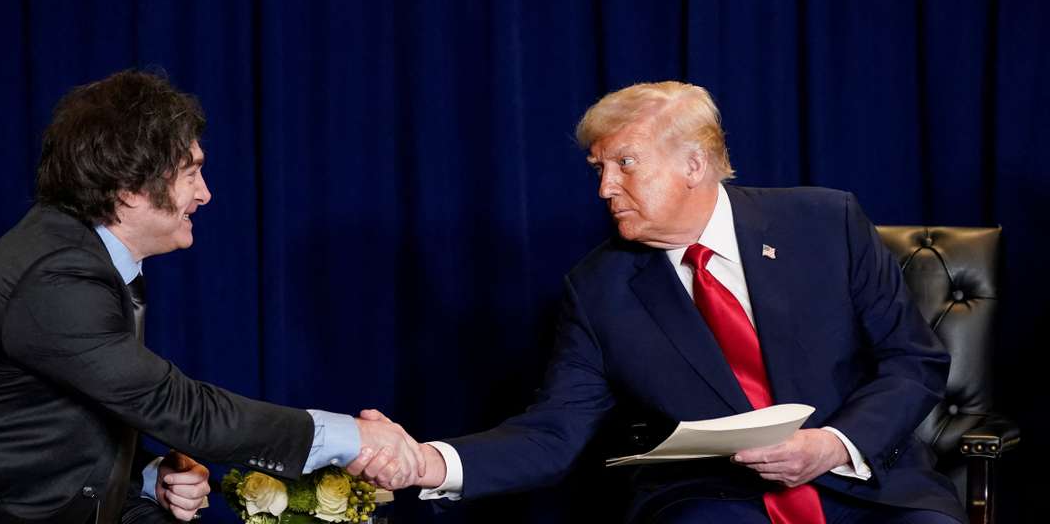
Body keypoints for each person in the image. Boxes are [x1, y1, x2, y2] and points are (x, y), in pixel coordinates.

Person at [354, 82, 964, 523]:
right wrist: (427, 462)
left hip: (865, 480)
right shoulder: (598, 289)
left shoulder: (825, 222)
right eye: (599, 168)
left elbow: (912, 362)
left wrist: (834, 444)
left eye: (624, 164)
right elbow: (553, 433)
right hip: (717, 498)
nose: (604, 188)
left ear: (694, 164)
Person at [0, 70, 423, 524]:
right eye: (191, 173)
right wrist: (351, 436)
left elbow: (43, 420)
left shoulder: (77, 254)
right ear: (130, 189)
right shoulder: (56, 274)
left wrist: (147, 476)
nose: (206, 194)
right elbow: (178, 407)